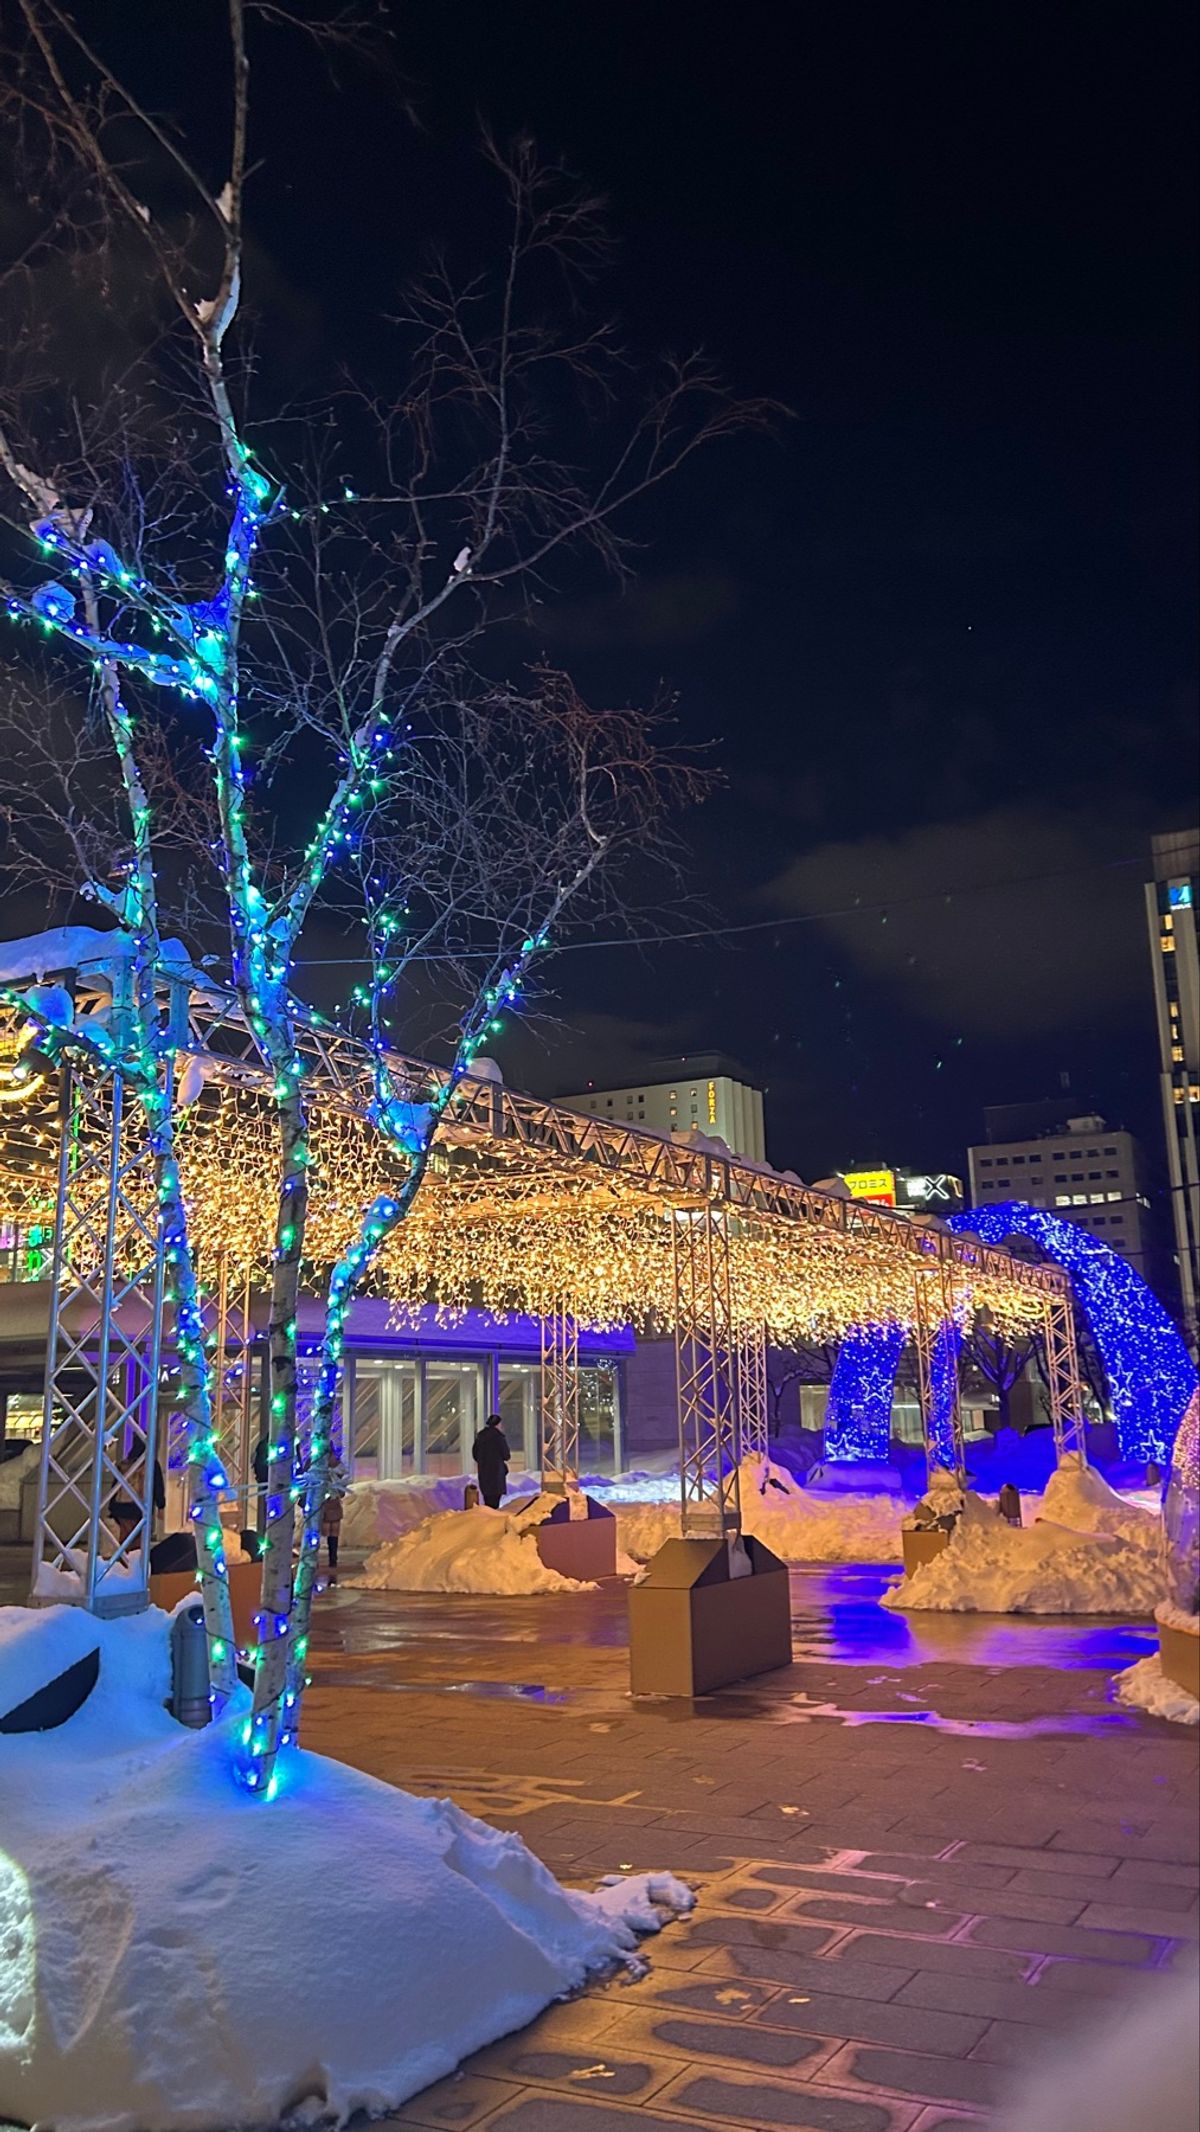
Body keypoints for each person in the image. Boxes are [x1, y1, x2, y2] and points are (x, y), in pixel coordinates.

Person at [108, 1431, 166, 1550]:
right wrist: (161, 1506)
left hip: (120, 1508)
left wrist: (112, 1507)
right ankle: (133, 1559)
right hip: (140, 1508)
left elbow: (115, 1487)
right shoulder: (151, 1464)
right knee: (137, 1543)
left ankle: (122, 1558)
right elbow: (158, 1486)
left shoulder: (124, 1464)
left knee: (123, 1540)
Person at [472, 1412, 510, 1510]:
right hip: (496, 1473)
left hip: (484, 1472)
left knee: (488, 1499)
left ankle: (488, 1515)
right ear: (497, 1424)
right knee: (495, 1500)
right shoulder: (499, 1437)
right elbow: (506, 1455)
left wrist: (482, 1461)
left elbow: (475, 1454)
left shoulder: (480, 1436)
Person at [320, 1456, 348, 1586]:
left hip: (331, 1502)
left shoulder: (337, 1470)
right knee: (329, 1529)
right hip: (327, 1502)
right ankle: (331, 1558)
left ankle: (332, 1558)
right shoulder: (332, 1468)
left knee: (332, 1530)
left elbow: (342, 1489)